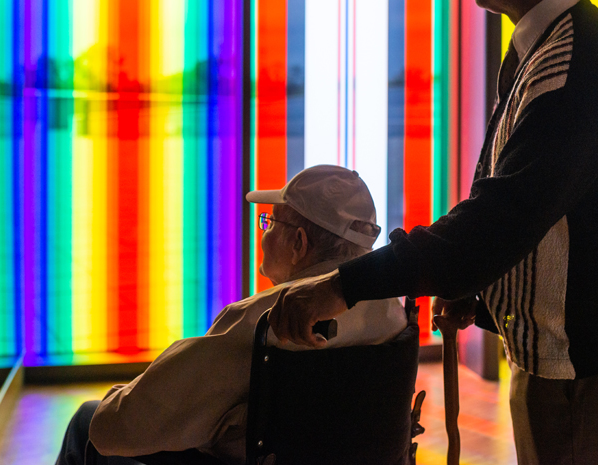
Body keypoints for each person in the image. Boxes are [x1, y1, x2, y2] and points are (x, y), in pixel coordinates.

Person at [267, 0, 598, 465]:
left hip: (582, 357)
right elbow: (532, 202)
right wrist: (478, 296)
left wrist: (342, 285)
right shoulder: (543, 46)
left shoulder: (575, 64)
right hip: (554, 345)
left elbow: (503, 216)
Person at [54, 164, 406, 465]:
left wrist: (118, 399)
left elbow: (123, 426)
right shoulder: (393, 313)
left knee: (89, 420)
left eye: (270, 223)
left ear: (299, 243)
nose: (264, 235)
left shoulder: (264, 321)